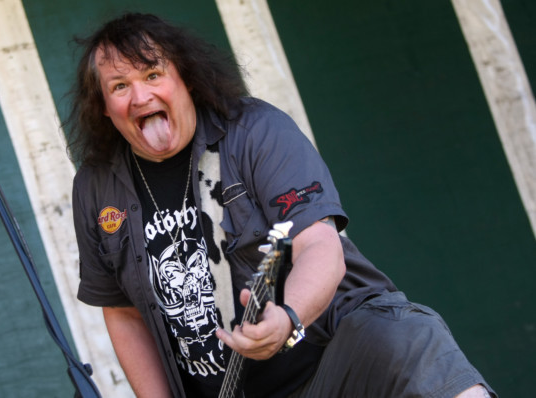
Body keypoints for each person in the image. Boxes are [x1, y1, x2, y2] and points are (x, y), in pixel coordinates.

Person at [66, 12, 496, 398]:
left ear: (187, 79)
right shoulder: (96, 186)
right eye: (120, 87)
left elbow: (318, 244)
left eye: (153, 75)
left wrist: (288, 318)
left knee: (409, 336)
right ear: (104, 108)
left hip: (329, 366)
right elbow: (122, 312)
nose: (140, 97)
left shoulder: (254, 130)